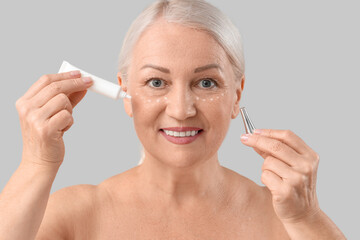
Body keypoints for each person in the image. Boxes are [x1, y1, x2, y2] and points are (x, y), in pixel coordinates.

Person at [0, 0, 346, 239]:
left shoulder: (285, 219)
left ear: (236, 95)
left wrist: (307, 219)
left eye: (206, 82)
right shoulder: (75, 215)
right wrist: (36, 162)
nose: (181, 109)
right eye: (156, 82)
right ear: (125, 94)